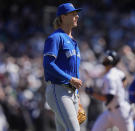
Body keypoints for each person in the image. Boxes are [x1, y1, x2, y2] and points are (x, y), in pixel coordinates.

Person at [43, 3, 83, 131]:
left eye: (76, 13)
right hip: (58, 90)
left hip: (72, 93)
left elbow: (73, 71)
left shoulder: (73, 41)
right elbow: (48, 64)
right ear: (63, 17)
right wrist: (70, 79)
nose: (77, 16)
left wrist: (77, 95)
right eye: (73, 14)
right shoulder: (55, 38)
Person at [85, 50, 134, 131]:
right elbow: (124, 80)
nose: (104, 59)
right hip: (110, 111)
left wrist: (91, 92)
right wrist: (119, 90)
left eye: (106, 58)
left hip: (120, 112)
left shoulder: (110, 77)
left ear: (110, 61)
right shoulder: (118, 72)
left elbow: (107, 98)